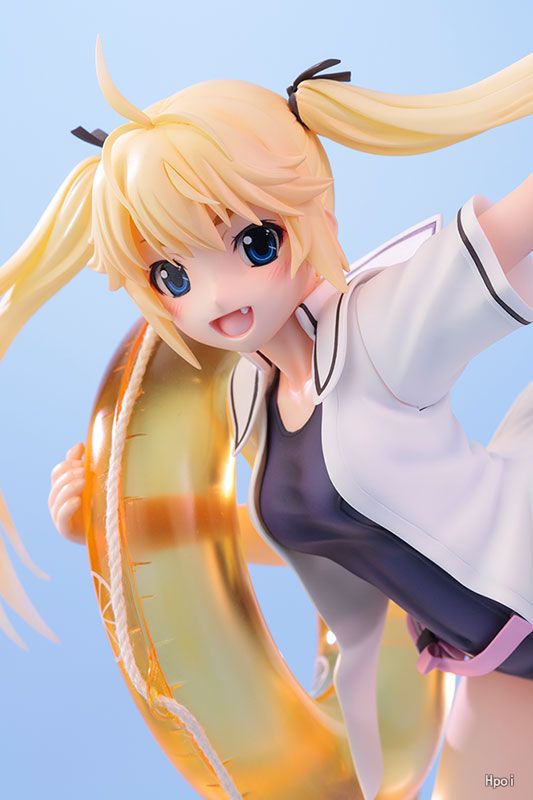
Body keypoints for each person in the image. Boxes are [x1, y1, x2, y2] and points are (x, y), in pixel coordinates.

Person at [5, 40, 533, 799]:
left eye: (253, 243)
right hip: (496, 657)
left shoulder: (379, 334)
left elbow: (513, 228)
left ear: (313, 215)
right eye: (173, 275)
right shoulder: (253, 401)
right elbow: (318, 537)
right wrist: (104, 524)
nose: (217, 296)